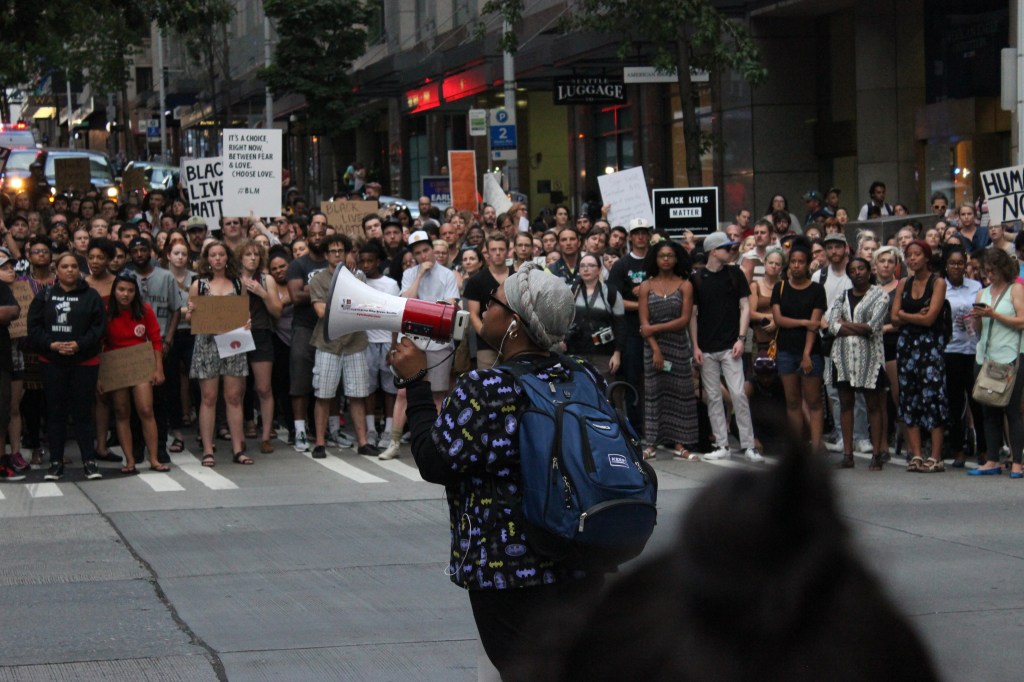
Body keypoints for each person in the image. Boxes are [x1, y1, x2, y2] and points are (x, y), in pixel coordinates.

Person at [390, 262, 604, 679]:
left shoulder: (486, 388)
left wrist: (415, 380)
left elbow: (434, 461)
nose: (484, 308)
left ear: (515, 325)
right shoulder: (583, 375)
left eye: (494, 302)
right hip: (582, 558)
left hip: (507, 571)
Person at [28, 252, 107, 481]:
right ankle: (55, 463)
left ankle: (89, 462)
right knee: (55, 413)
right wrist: (52, 345)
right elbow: (34, 328)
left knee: (83, 413)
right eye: (65, 266)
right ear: (57, 270)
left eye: (74, 266)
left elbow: (99, 328)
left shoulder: (91, 296)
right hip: (53, 362)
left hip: (84, 362)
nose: (70, 270)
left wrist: (79, 344)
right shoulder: (45, 296)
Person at [691, 232, 761, 462]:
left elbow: (745, 307)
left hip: (731, 344)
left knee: (739, 394)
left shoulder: (735, 274)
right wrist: (696, 346)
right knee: (713, 396)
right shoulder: (698, 278)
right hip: (707, 346)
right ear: (713, 251)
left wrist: (741, 338)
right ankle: (722, 443)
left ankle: (748, 444)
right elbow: (692, 314)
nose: (731, 251)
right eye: (726, 248)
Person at [184, 241, 252, 467]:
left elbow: (245, 313)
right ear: (207, 259)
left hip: (233, 341)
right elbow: (189, 318)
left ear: (227, 258)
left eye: (221, 254)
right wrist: (190, 312)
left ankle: (237, 449)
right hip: (207, 342)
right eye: (213, 255)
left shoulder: (237, 283)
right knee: (209, 397)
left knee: (234, 397)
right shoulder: (199, 285)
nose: (217, 259)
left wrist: (247, 322)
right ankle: (207, 450)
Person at [309, 234, 376, 457]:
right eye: (333, 251)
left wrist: (342, 305)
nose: (337, 254)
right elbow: (320, 312)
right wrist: (347, 304)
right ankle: (320, 442)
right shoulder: (317, 280)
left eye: (341, 250)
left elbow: (363, 306)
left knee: (357, 394)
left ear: (347, 252)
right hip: (327, 343)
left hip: (354, 342)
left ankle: (363, 441)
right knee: (324, 395)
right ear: (326, 255)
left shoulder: (358, 277)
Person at [100, 271, 168, 474]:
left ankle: (154, 458)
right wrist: (100, 376)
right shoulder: (105, 311)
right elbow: (98, 343)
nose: (125, 294)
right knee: (122, 412)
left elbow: (156, 339)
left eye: (130, 290)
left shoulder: (144, 310)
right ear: (115, 291)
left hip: (140, 362)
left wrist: (158, 368)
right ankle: (129, 460)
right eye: (121, 289)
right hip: (116, 365)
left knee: (146, 410)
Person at [826, 258, 889, 470]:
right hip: (842, 357)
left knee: (873, 404)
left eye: (861, 268)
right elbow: (832, 326)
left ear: (869, 270)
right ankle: (847, 454)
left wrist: (846, 324)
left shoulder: (880, 295)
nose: (857, 273)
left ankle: (877, 454)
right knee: (845, 404)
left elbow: (873, 326)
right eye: (852, 270)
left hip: (870, 357)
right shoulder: (842, 296)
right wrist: (849, 326)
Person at [891, 241, 948, 473]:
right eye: (908, 255)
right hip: (906, 346)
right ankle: (916, 454)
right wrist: (910, 314)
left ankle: (935, 456)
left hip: (929, 346)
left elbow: (929, 319)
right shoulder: (904, 283)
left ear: (926, 257)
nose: (912, 259)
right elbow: (894, 319)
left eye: (917, 254)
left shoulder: (938, 282)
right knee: (909, 398)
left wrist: (905, 315)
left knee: (933, 398)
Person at [640, 239, 699, 460]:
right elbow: (644, 323)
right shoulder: (646, 285)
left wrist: (653, 328)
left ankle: (680, 443)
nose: (666, 259)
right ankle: (652, 443)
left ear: (677, 259)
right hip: (652, 347)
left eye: (670, 256)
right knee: (654, 394)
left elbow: (684, 320)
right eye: (661, 255)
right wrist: (655, 348)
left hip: (678, 346)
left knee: (681, 394)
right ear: (655, 259)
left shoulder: (685, 285)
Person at [967, 249, 1024, 477]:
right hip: (985, 356)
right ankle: (992, 459)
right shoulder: (982, 293)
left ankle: (1017, 461)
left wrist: (995, 315)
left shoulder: (1016, 289)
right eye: (986, 270)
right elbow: (979, 331)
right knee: (987, 408)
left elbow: (1022, 320)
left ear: (1003, 269)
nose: (988, 273)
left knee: (1012, 411)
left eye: (992, 269)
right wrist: (977, 319)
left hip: (1009, 357)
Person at [771, 238, 827, 454]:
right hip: (785, 349)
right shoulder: (781, 287)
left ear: (808, 264)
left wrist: (806, 353)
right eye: (793, 262)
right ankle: (797, 448)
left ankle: (815, 446)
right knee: (792, 401)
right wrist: (804, 322)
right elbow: (779, 319)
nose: (796, 266)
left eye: (801, 262)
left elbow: (815, 325)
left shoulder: (816, 290)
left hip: (810, 350)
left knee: (813, 401)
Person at [606, 218, 653, 435]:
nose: (641, 236)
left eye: (644, 232)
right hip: (632, 332)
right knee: (633, 379)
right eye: (636, 232)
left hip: (659, 329)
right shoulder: (621, 265)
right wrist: (644, 302)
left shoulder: (657, 261)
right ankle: (637, 428)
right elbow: (614, 299)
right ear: (630, 237)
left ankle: (656, 427)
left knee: (656, 380)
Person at [237, 240, 282, 453]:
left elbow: (277, 311)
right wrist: (244, 291)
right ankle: (240, 436)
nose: (253, 258)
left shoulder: (267, 279)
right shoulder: (233, 280)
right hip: (238, 334)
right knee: (237, 390)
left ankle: (266, 436)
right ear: (240, 258)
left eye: (256, 254)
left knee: (263, 388)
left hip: (262, 334)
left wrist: (262, 293)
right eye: (248, 254)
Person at [943, 245, 984, 468]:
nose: (957, 267)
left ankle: (984, 449)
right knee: (955, 402)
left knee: (978, 401)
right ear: (946, 266)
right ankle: (958, 449)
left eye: (960, 263)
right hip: (952, 351)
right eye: (952, 263)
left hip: (974, 349)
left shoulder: (976, 286)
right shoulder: (941, 287)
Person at [564, 253, 624, 381]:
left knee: (604, 392)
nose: (586, 269)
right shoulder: (570, 292)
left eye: (591, 265)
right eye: (582, 266)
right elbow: (561, 319)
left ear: (599, 269)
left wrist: (617, 354)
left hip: (604, 353)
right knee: (579, 390)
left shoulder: (611, 293)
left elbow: (620, 326)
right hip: (575, 351)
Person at [464, 234, 511, 368]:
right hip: (486, 343)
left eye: (501, 249)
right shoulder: (476, 280)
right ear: (487, 252)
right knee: (488, 383)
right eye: (493, 249)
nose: (497, 253)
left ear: (507, 251)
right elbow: (473, 315)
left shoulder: (517, 277)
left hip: (515, 340)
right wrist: (489, 338)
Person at [0, 252, 21, 481]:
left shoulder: (2, 288)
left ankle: (2, 461)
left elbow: (13, 311)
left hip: (1, 359)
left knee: (2, 412)